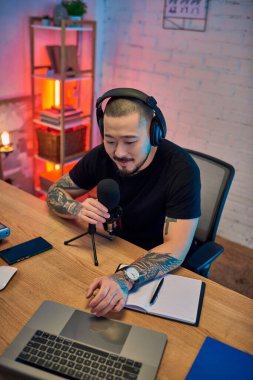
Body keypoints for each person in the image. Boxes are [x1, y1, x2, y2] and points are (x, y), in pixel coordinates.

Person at [47, 88, 201, 317]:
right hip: (114, 249)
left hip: (159, 271)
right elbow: (54, 192)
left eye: (130, 142)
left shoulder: (182, 170)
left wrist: (125, 278)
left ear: (153, 133)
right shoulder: (101, 156)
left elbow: (176, 248)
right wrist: (76, 208)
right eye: (110, 140)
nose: (118, 153)